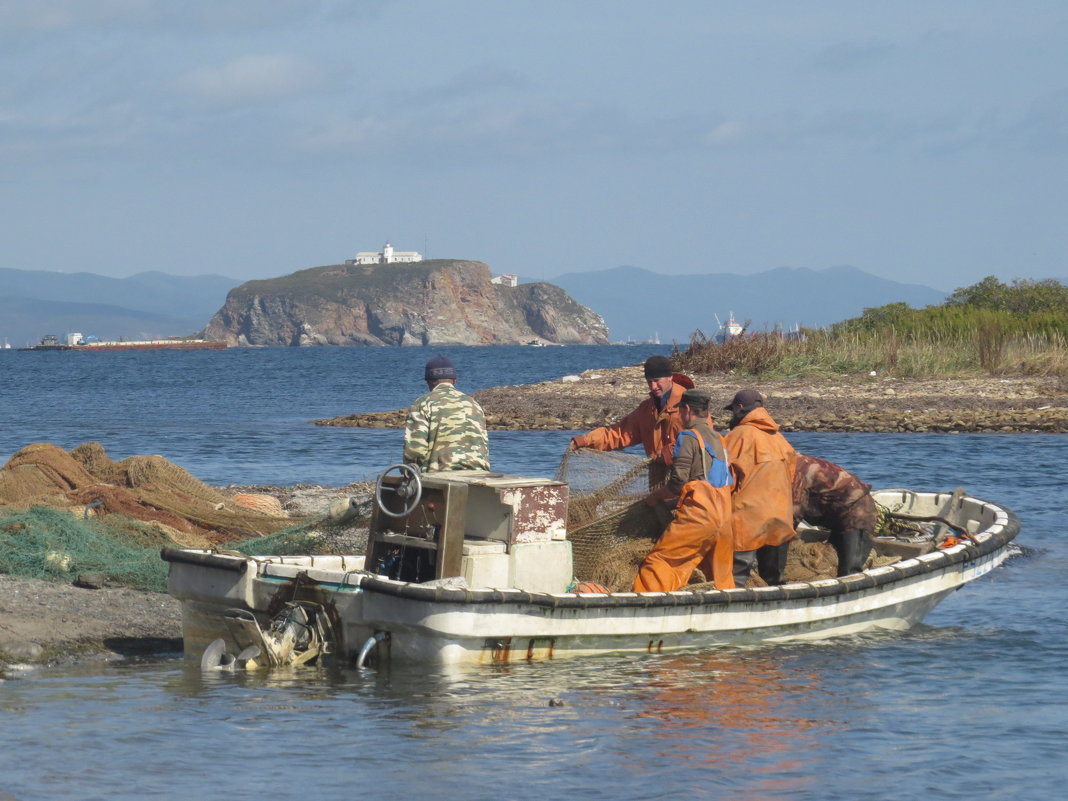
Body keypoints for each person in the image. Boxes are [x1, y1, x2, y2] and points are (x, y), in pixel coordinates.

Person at [633, 389, 735, 592]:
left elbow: (678, 482)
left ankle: (647, 605)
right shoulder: (720, 439)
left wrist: (655, 497)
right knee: (719, 574)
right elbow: (723, 480)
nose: (679, 416)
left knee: (660, 562)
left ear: (687, 410)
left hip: (700, 518)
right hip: (724, 520)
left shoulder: (688, 437)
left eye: (680, 411)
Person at [569, 355, 692, 488]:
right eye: (649, 381)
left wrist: (667, 453)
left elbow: (701, 439)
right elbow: (619, 433)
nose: (653, 386)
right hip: (658, 484)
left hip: (688, 483)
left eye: (657, 381)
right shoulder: (646, 409)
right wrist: (584, 440)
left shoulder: (691, 404)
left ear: (670, 377)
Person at [723, 389, 797, 587]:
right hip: (780, 518)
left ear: (739, 408)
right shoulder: (779, 438)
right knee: (774, 580)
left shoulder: (737, 436)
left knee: (735, 579)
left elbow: (725, 480)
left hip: (747, 520)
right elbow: (791, 476)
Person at [792, 453, 876, 576]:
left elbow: (791, 516)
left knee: (850, 571)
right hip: (833, 513)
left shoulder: (798, 472)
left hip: (857, 512)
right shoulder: (794, 464)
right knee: (833, 558)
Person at [403, 355, 490, 472]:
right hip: (479, 475)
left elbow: (415, 451)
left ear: (428, 382)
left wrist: (409, 472)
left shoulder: (423, 404)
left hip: (441, 476)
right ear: (454, 381)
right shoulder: (474, 404)